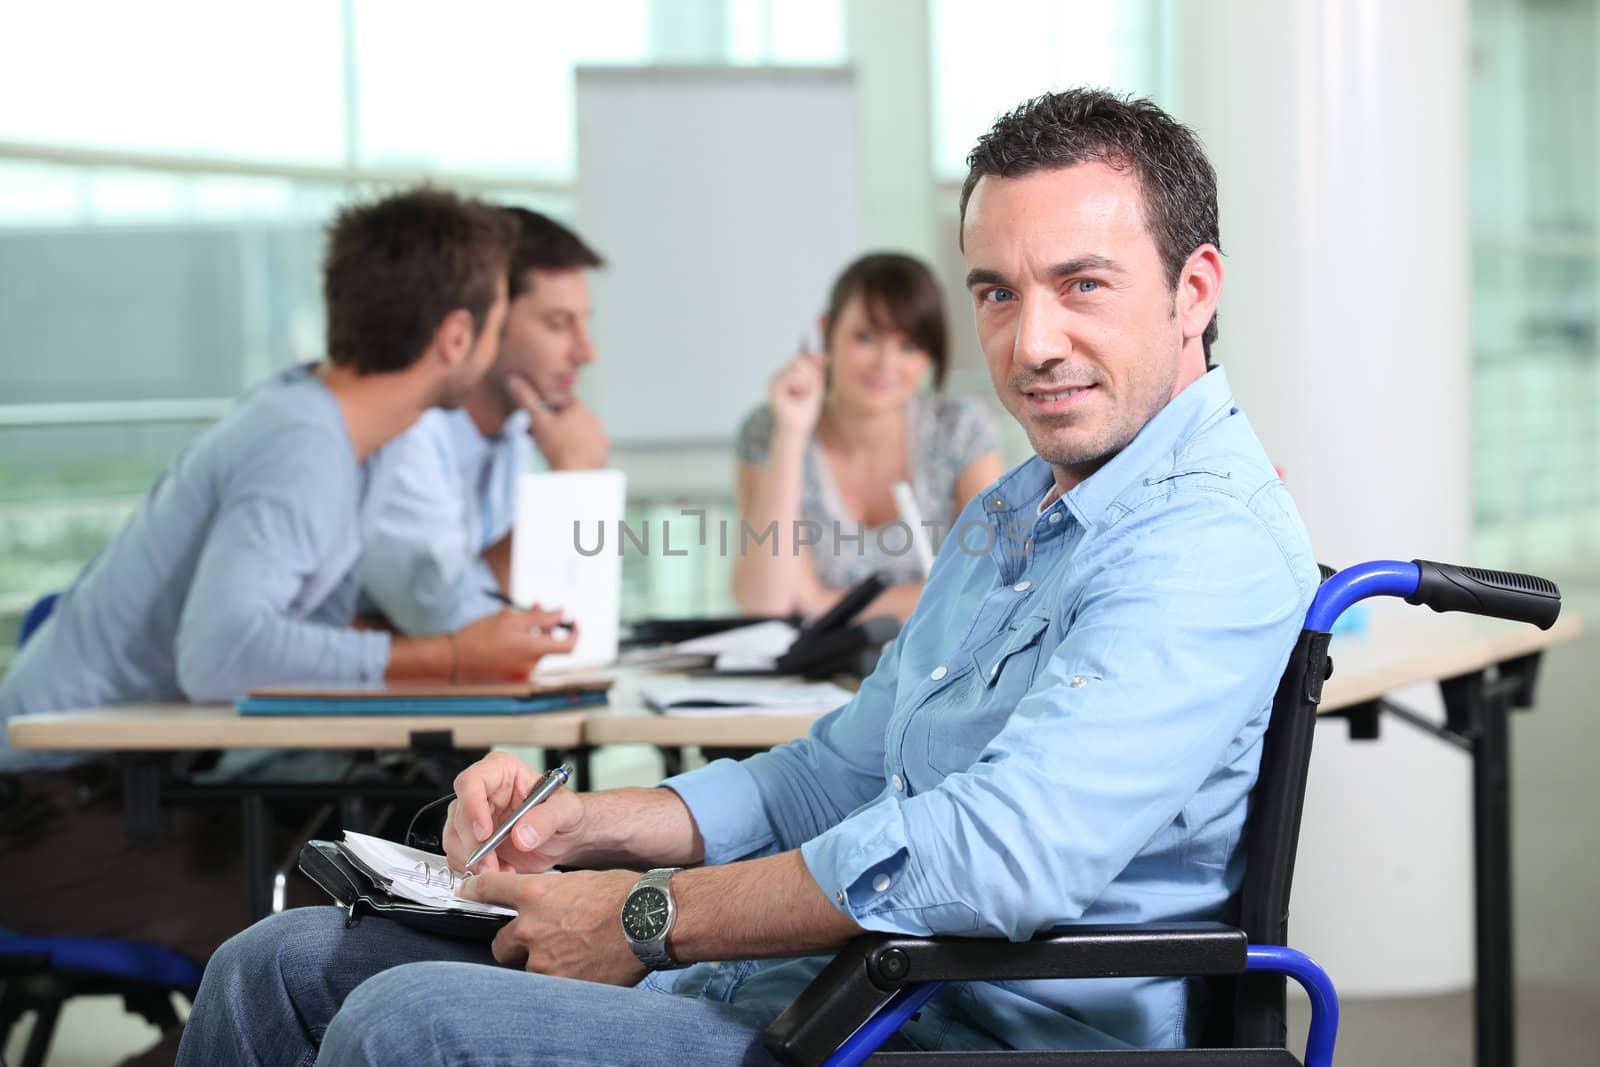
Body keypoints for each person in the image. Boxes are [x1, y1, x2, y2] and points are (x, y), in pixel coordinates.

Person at [178, 89, 1320, 1064]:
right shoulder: (1016, 507)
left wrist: (643, 916)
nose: (1028, 343)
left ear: (1194, 288)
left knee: (402, 1019)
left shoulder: (1204, 537)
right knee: (272, 964)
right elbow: (829, 774)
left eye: (1082, 285)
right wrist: (582, 826)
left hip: (956, 1027)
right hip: (837, 987)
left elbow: (994, 854)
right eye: (997, 292)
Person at [0, 189, 578, 1060]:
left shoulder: (351, 436)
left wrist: (454, 643)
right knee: (340, 946)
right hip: (50, 823)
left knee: (412, 903)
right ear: (456, 338)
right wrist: (453, 654)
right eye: (498, 325)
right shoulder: (302, 443)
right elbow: (221, 653)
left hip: (135, 797)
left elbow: (388, 610)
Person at [358, 208, 609, 635]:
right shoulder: (406, 433)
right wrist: (568, 485)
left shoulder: (518, 434)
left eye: (583, 323)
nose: (586, 352)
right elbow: (447, 622)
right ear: (486, 320)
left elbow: (537, 616)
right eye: (557, 324)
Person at [732, 252, 1004, 621]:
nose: (885, 365)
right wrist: (792, 435)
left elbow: (988, 582)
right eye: (865, 337)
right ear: (827, 330)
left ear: (929, 356)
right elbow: (767, 602)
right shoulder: (769, 430)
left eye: (909, 345)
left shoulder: (959, 430)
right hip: (816, 673)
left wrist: (826, 605)